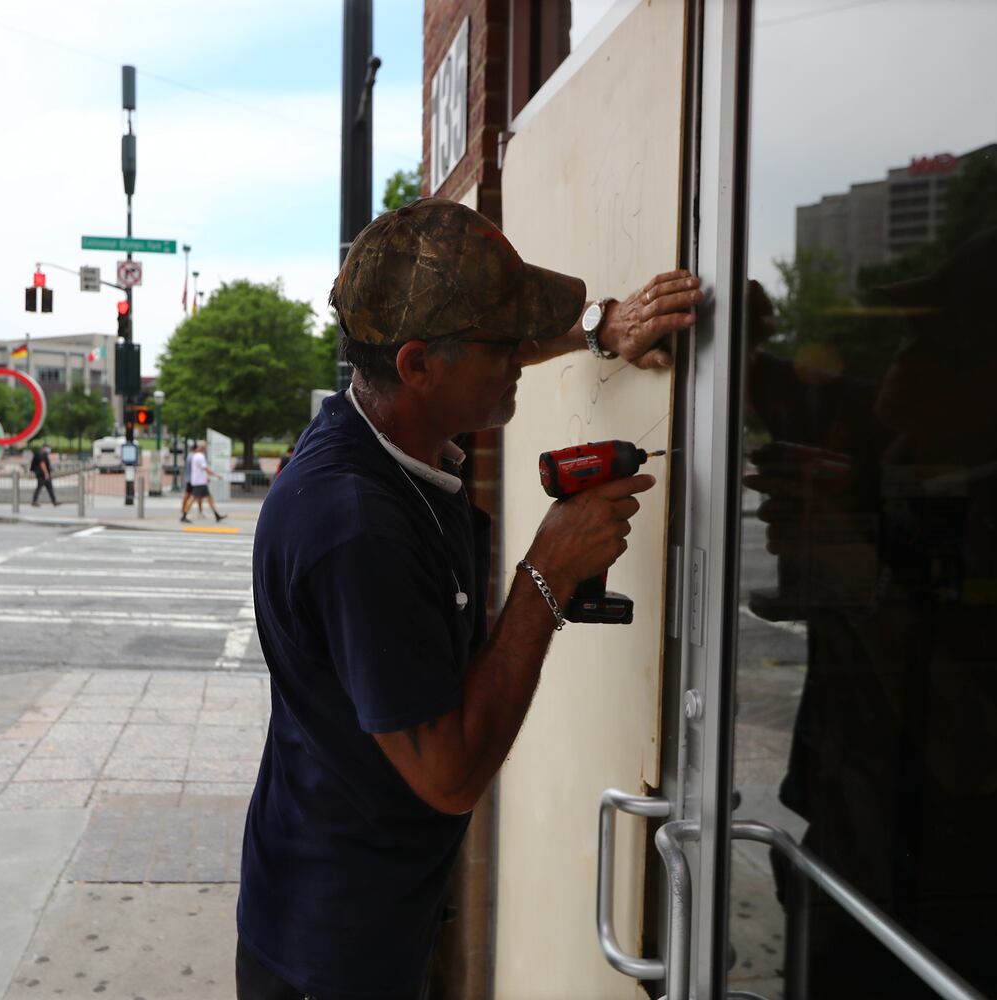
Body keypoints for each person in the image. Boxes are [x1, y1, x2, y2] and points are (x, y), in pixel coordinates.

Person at [237, 198, 701, 999]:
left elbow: (483, 350)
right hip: (335, 953)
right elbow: (448, 776)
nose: (520, 359)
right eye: (503, 345)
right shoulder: (356, 528)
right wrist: (547, 574)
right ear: (417, 366)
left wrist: (600, 328)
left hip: (362, 907)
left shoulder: (379, 433)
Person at [743, 225, 997, 999]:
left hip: (972, 916)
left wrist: (858, 573)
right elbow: (728, 366)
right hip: (836, 873)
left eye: (947, 342)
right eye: (908, 332)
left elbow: (978, 756)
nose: (906, 357)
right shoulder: (871, 428)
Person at [181, 442, 225, 523]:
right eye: (203, 447)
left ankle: (216, 515)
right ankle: (184, 515)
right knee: (193, 498)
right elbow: (205, 468)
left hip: (199, 481)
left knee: (208, 498)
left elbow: (200, 469)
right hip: (200, 482)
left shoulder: (195, 456)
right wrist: (217, 475)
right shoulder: (200, 456)